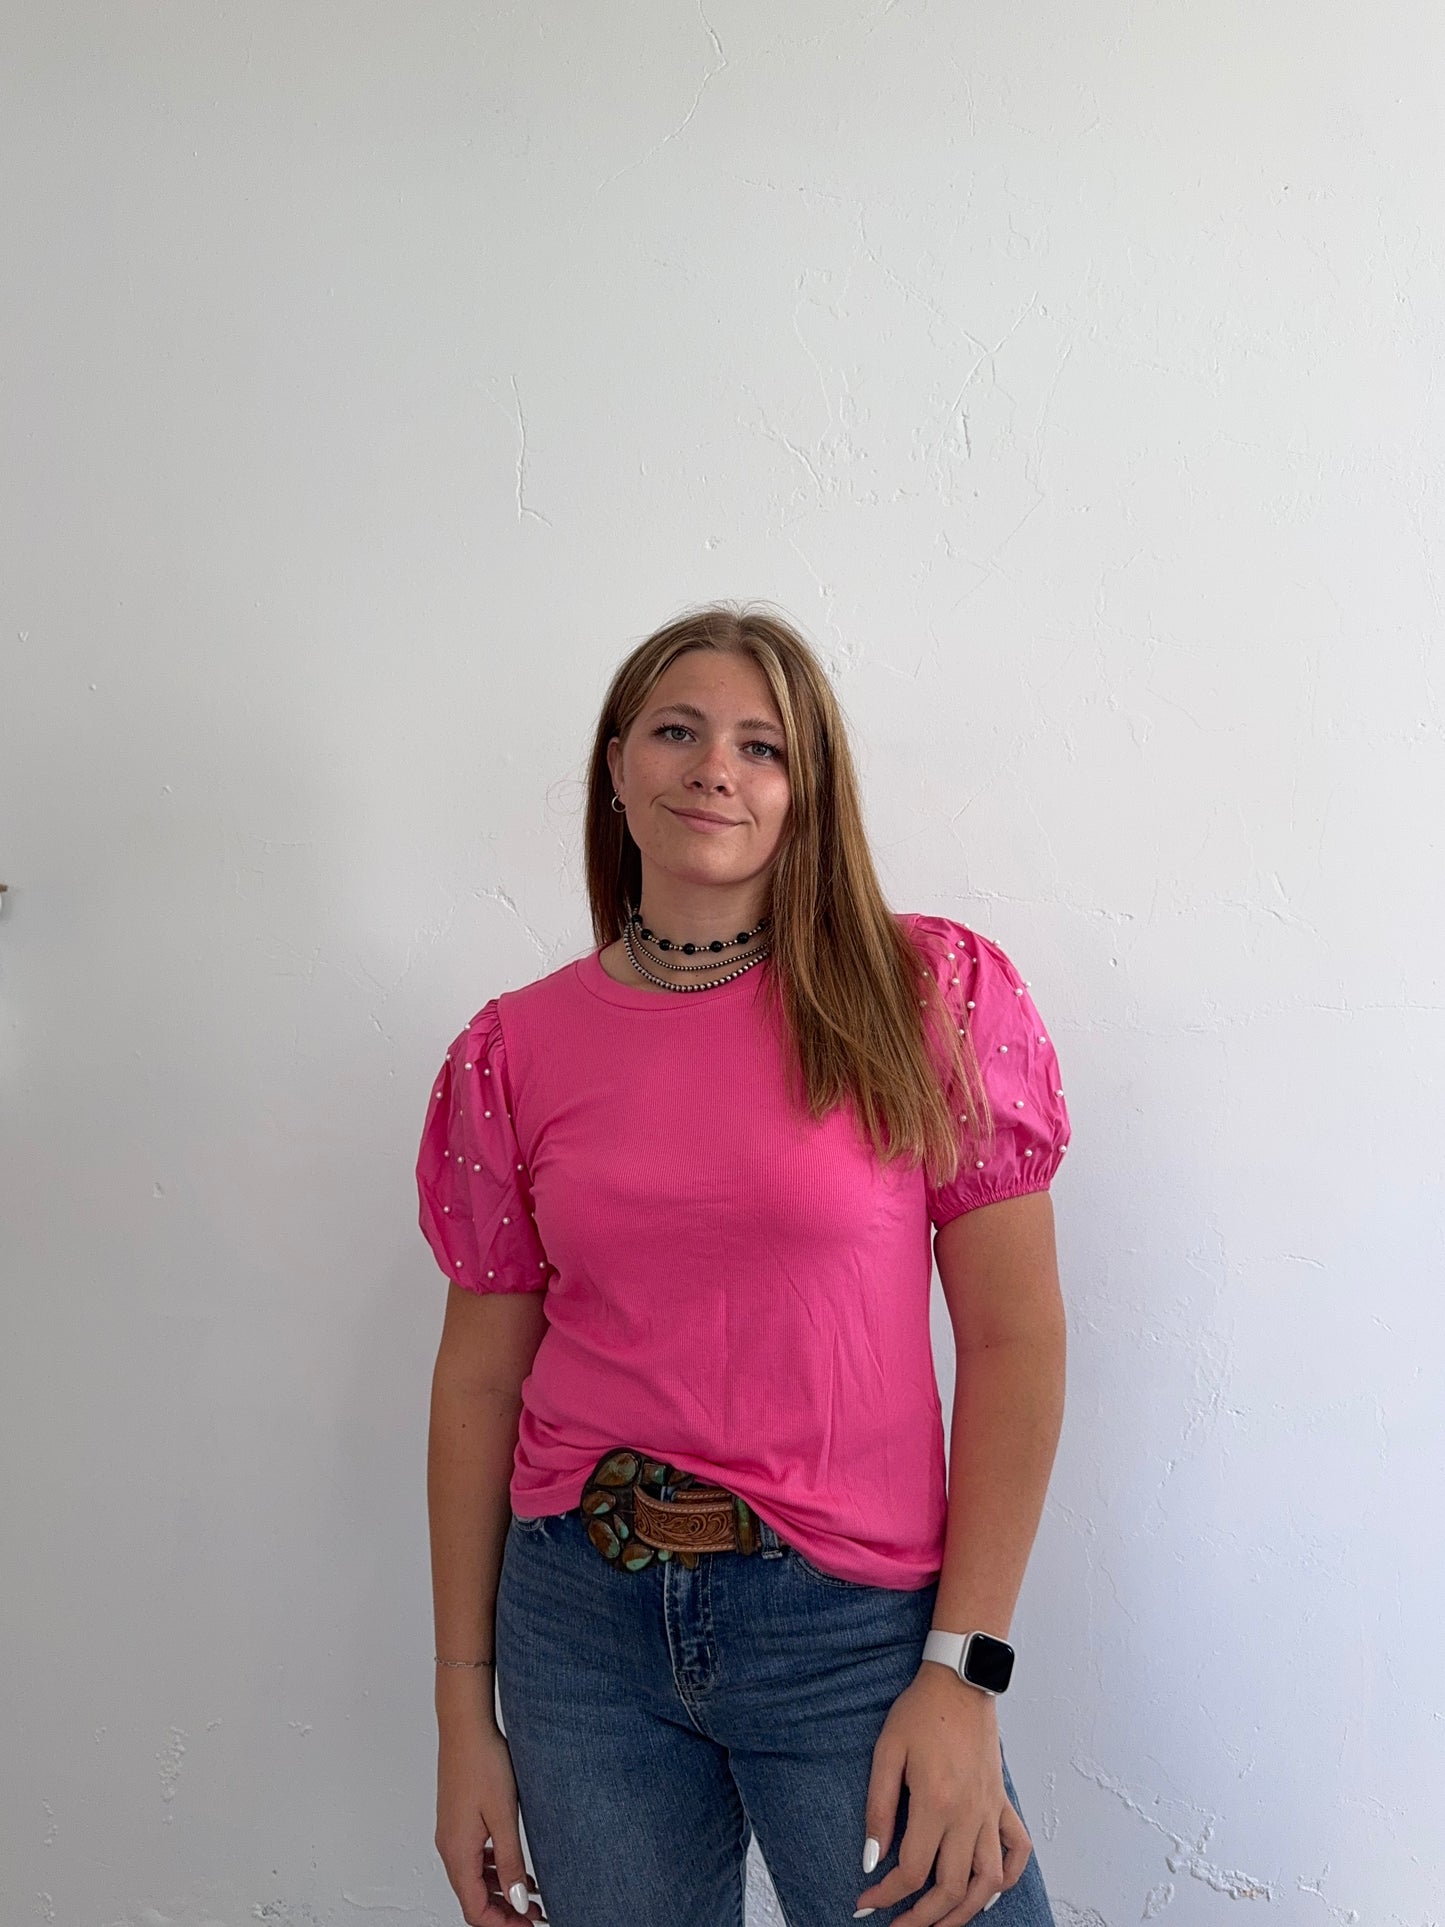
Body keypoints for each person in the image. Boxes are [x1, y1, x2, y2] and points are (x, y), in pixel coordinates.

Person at [415, 603, 1071, 1927]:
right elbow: (479, 1382)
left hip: (849, 1634)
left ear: (804, 789)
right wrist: (462, 1718)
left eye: (762, 746)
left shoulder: (921, 996)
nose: (716, 767)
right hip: (578, 1628)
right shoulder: (513, 1050)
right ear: (616, 766)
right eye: (677, 730)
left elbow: (1014, 1343)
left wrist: (963, 1674)